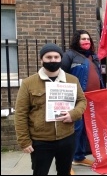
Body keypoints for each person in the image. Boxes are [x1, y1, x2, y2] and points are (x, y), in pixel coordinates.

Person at [14, 43, 87, 175]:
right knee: (40, 172)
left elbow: (82, 100)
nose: (53, 60)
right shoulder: (28, 83)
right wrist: (24, 141)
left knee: (64, 171)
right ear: (41, 59)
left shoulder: (72, 80)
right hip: (40, 140)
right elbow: (20, 114)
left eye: (56, 57)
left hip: (67, 137)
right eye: (48, 57)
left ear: (61, 59)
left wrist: (73, 114)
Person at [61, 30, 105, 173]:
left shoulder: (93, 56)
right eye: (83, 39)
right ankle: (66, 164)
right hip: (76, 99)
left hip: (93, 99)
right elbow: (61, 75)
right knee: (75, 129)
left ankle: (79, 157)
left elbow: (99, 76)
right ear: (76, 41)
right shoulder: (70, 55)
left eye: (88, 39)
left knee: (85, 129)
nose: (86, 41)